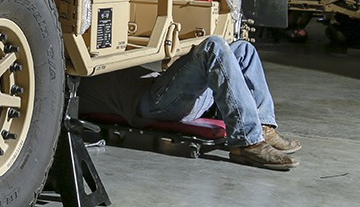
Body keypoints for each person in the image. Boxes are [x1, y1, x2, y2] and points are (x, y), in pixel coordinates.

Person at [78, 36, 301, 170]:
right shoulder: (76, 78)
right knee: (213, 46)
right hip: (155, 104)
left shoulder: (91, 53)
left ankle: (263, 127)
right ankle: (247, 142)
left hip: (166, 92)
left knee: (244, 49)